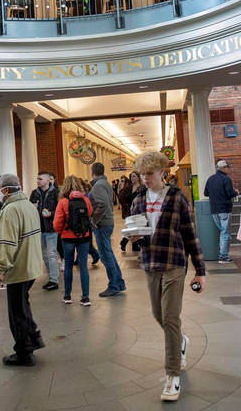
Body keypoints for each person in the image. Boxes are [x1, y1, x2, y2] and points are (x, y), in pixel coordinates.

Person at [129, 151, 206, 402]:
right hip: (151, 263)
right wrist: (134, 239)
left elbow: (190, 235)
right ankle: (180, 340)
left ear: (162, 172)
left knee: (170, 318)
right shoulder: (138, 199)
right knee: (158, 314)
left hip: (174, 262)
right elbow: (136, 231)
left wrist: (200, 270)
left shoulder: (176, 198)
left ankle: (172, 376)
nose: (145, 179)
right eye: (142, 175)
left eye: (149, 174)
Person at [0, 173, 45, 366]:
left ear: (5, 190)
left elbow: (6, 244)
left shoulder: (10, 210)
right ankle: (34, 337)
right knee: (23, 304)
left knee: (16, 312)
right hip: (31, 265)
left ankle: (24, 352)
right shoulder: (29, 206)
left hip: (19, 267)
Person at [53, 175, 94, 306]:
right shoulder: (85, 199)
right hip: (84, 236)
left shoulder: (63, 202)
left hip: (68, 237)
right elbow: (90, 213)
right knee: (83, 267)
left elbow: (57, 223)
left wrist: (61, 232)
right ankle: (86, 297)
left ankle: (68, 295)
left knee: (69, 266)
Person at [89, 162, 126, 297]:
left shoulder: (98, 185)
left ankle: (114, 286)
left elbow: (102, 204)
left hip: (102, 224)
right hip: (107, 222)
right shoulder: (105, 183)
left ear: (92, 171)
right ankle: (119, 283)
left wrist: (94, 220)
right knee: (108, 253)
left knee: (105, 256)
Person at [204, 160, 238, 263]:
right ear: (223, 168)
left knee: (223, 232)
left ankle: (223, 255)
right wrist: (235, 192)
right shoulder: (226, 179)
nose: (229, 169)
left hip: (214, 210)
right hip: (224, 209)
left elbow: (206, 193)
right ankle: (223, 256)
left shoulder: (210, 179)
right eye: (227, 167)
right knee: (225, 233)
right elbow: (229, 193)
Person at [30, 171, 59, 291]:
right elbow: (30, 207)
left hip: (51, 228)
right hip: (39, 228)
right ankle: (51, 277)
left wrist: (50, 213)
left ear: (48, 180)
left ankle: (54, 280)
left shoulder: (55, 193)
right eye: (37, 179)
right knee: (44, 255)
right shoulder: (34, 193)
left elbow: (59, 210)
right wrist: (33, 209)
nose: (38, 181)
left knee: (52, 254)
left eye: (41, 179)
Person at [119, 172, 145, 253]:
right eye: (131, 176)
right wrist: (126, 205)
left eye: (134, 176)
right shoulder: (128, 188)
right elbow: (122, 197)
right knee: (132, 228)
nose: (132, 178)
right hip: (130, 211)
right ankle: (125, 242)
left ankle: (125, 242)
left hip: (139, 212)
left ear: (138, 177)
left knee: (137, 229)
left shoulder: (142, 188)